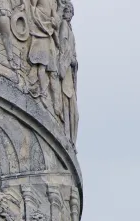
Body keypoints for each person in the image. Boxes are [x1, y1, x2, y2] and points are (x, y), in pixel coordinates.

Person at [58, 2, 78, 141]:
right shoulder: (64, 26)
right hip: (65, 69)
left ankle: (69, 135)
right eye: (66, 10)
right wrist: (69, 61)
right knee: (67, 102)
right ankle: (66, 134)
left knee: (74, 111)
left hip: (69, 69)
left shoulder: (68, 29)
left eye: (70, 11)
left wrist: (74, 61)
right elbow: (64, 46)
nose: (68, 13)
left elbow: (72, 52)